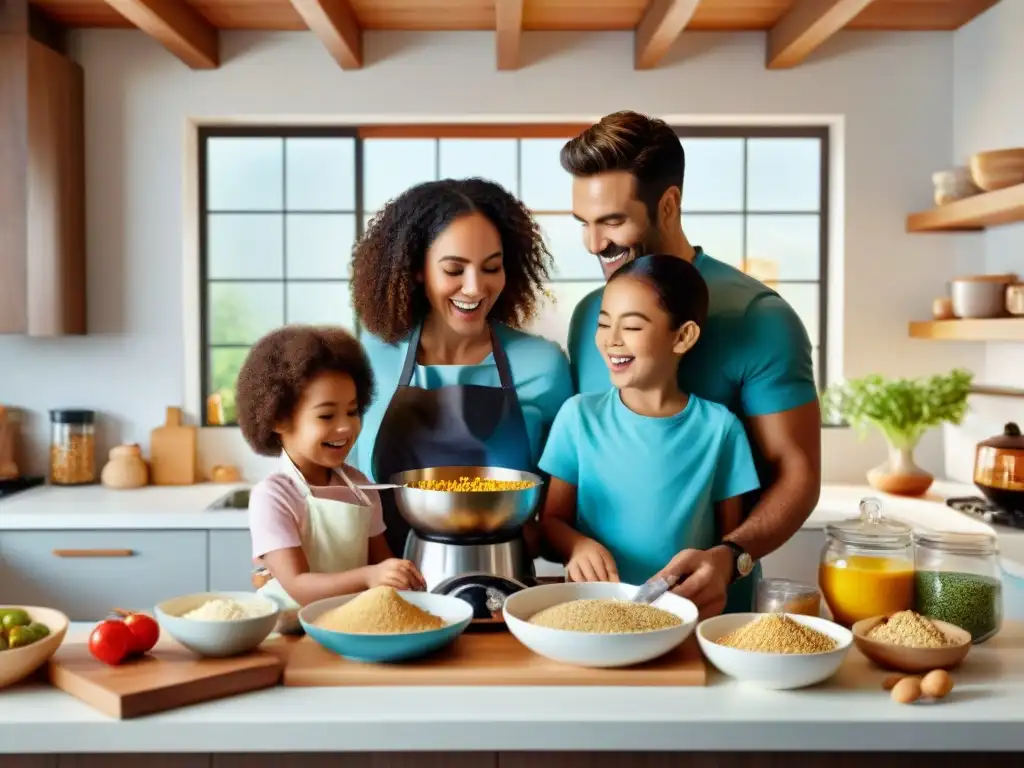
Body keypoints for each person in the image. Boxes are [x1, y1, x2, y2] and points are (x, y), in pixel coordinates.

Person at [560, 111, 822, 617]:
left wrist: (732, 557)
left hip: (714, 617)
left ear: (669, 205)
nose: (595, 244)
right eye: (584, 224)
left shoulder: (760, 318)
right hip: (598, 615)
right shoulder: (588, 316)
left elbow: (798, 473)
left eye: (613, 221)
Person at [349, 178, 574, 558]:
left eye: (491, 268)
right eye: (454, 270)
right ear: (417, 269)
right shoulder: (370, 359)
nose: (475, 288)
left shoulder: (544, 365)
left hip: (507, 578)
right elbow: (335, 482)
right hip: (383, 584)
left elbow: (564, 500)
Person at [539, 255, 761, 605]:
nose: (611, 340)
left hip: (682, 615)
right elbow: (551, 521)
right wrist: (577, 546)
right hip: (592, 609)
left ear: (683, 336)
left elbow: (727, 546)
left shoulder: (721, 429)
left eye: (631, 327)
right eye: (603, 323)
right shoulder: (578, 417)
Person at [236, 325, 426, 623]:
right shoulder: (273, 496)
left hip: (351, 627)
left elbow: (382, 562)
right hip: (290, 634)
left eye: (352, 412)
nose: (346, 427)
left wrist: (400, 574)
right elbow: (298, 585)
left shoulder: (361, 487)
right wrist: (369, 577)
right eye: (327, 415)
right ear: (279, 419)